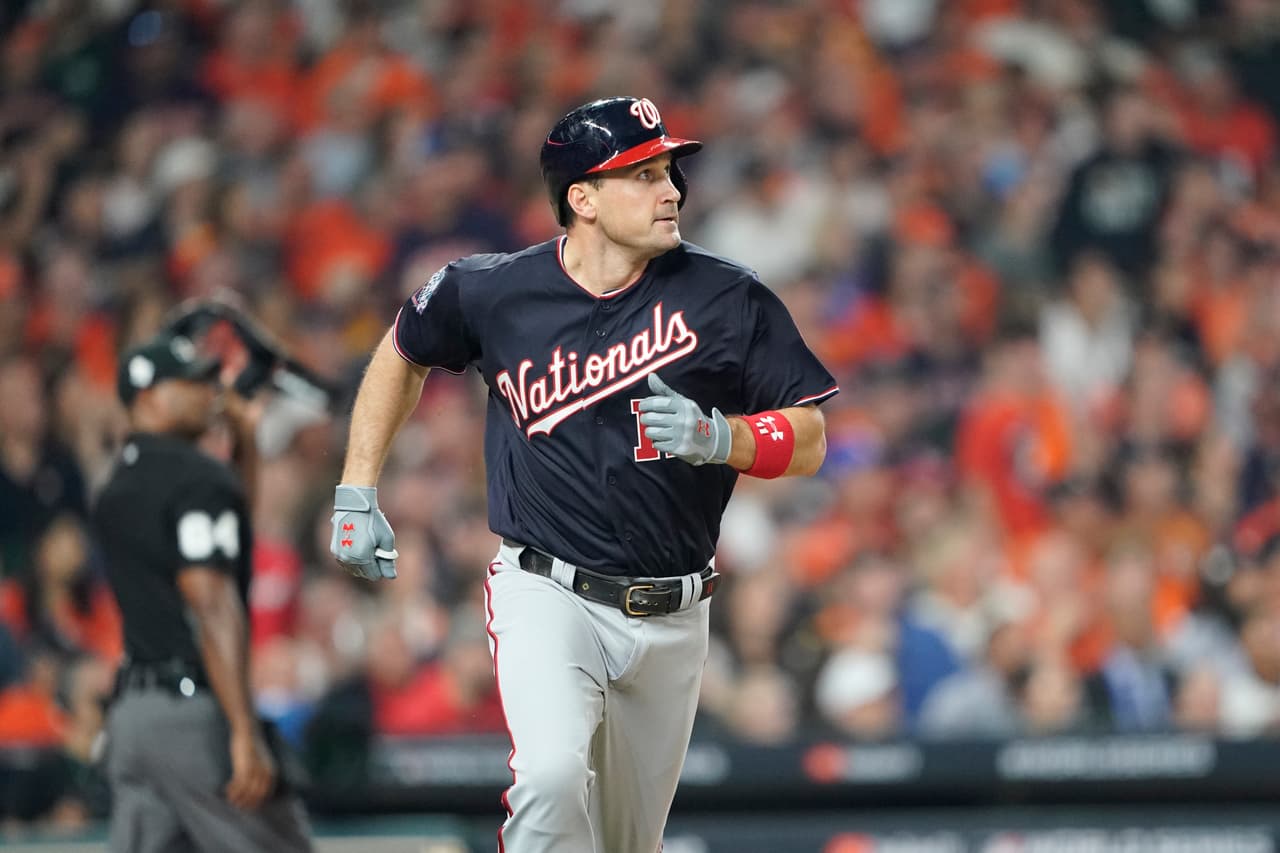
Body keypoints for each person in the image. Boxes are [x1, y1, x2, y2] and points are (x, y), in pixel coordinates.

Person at [330, 96, 839, 853]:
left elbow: (811, 436)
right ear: (583, 198)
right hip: (549, 589)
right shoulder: (495, 289)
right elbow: (404, 349)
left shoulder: (726, 296)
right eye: (643, 173)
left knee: (627, 843)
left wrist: (722, 436)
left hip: (673, 609)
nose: (671, 190)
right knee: (550, 779)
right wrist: (357, 484)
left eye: (670, 171)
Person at [92, 329, 312, 852]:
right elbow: (212, 601)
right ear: (149, 398)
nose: (208, 392)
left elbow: (229, 535)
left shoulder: (116, 484)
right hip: (191, 718)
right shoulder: (197, 479)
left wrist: (244, 443)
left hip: (133, 721)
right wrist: (243, 731)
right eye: (189, 384)